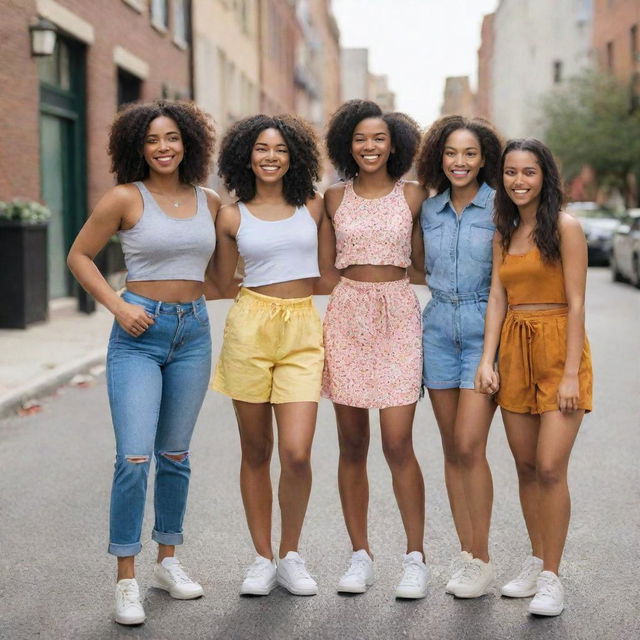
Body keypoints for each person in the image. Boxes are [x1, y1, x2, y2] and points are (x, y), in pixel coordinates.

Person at [67, 100, 220, 625]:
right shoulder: (124, 198)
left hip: (193, 332)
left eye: (173, 137)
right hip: (138, 333)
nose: (163, 147)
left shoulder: (211, 201)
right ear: (138, 146)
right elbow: (79, 256)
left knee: (175, 455)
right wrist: (118, 304)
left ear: (188, 143)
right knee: (134, 458)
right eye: (153, 139)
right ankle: (126, 578)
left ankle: (168, 562)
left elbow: (221, 275)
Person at [209, 114, 327, 597]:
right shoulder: (231, 216)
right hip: (250, 327)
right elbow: (218, 282)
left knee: (297, 453)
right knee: (256, 451)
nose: (271, 156)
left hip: (302, 327)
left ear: (293, 155)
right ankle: (262, 556)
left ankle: (291, 553)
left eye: (280, 149)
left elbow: (335, 268)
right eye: (261, 148)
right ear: (246, 155)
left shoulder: (314, 207)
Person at [475, 138, 592, 616]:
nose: (519, 181)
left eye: (528, 172)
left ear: (545, 176)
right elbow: (498, 300)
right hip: (514, 352)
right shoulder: (503, 232)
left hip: (558, 348)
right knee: (525, 466)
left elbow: (579, 303)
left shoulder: (566, 228)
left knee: (549, 467)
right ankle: (537, 556)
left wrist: (570, 376)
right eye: (510, 172)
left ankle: (552, 578)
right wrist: (488, 361)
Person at [320, 99, 429, 598]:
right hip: (347, 316)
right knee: (352, 444)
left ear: (394, 145)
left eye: (379, 138)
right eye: (361, 138)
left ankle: (415, 557)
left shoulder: (413, 196)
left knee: (398, 441)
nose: (369, 146)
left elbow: (425, 265)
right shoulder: (333, 199)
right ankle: (360, 554)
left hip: (399, 315)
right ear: (348, 144)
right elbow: (324, 272)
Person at [413, 116, 502, 598]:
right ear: (438, 158)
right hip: (437, 328)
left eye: (469, 153)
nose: (460, 162)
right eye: (451, 153)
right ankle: (468, 553)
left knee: (470, 445)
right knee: (451, 448)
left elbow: (505, 284)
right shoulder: (429, 211)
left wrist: (491, 352)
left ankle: (483, 556)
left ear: (484, 157)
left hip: (482, 326)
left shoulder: (501, 207)